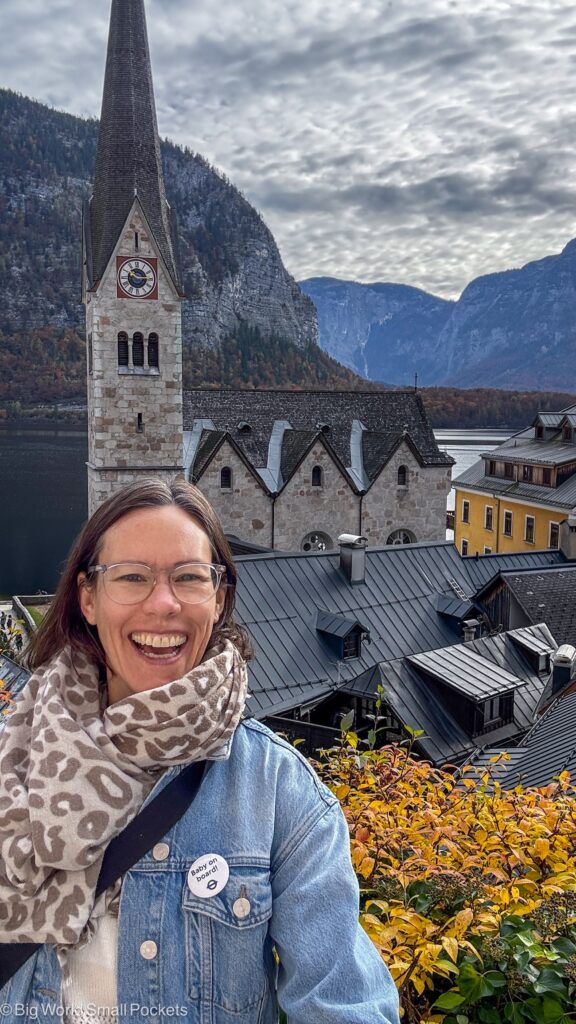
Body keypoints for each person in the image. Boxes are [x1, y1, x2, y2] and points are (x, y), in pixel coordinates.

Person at [0, 478, 400, 1024]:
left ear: (218, 597)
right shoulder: (13, 757)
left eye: (188, 577)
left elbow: (344, 1004)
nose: (163, 604)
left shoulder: (278, 792)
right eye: (132, 577)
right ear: (88, 598)